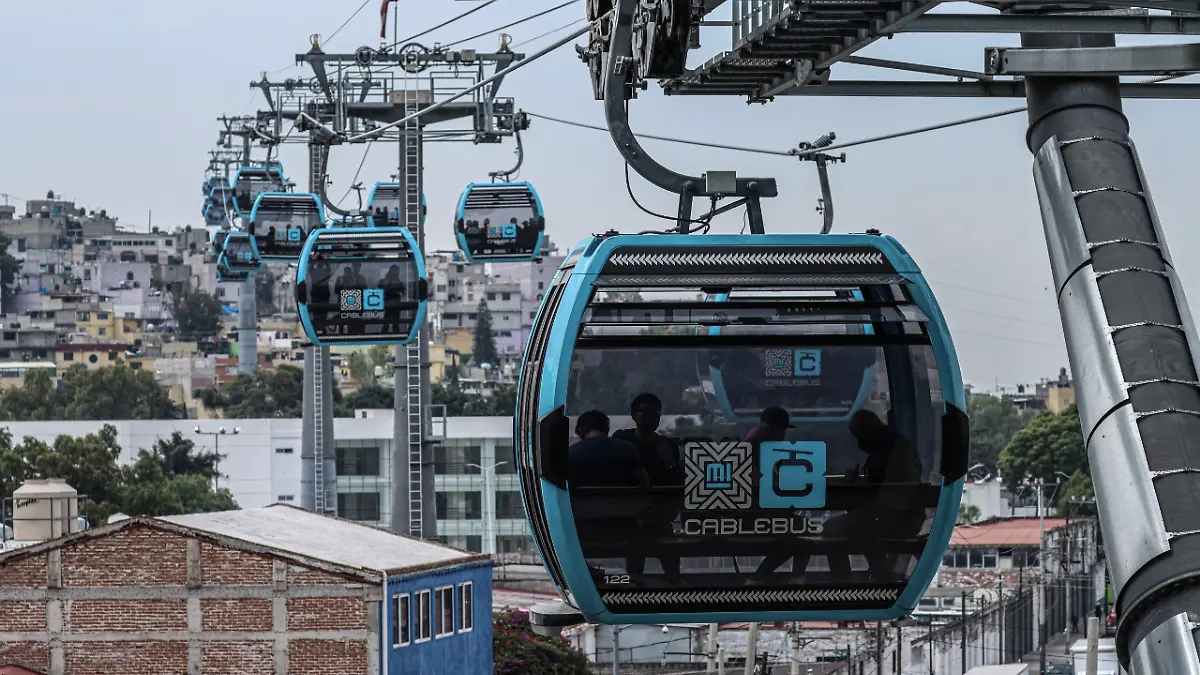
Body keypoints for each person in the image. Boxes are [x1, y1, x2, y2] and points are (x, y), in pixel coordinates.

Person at [613, 393, 682, 580]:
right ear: (634, 415)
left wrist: (670, 462)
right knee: (636, 551)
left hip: (659, 512)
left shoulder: (666, 445)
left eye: (655, 413)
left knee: (670, 554)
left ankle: (674, 583)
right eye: (645, 412)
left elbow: (676, 481)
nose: (651, 417)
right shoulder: (622, 441)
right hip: (630, 512)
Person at [568, 410, 648, 490]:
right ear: (607, 429)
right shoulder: (628, 449)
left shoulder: (570, 453)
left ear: (580, 431)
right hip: (624, 501)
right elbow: (644, 483)